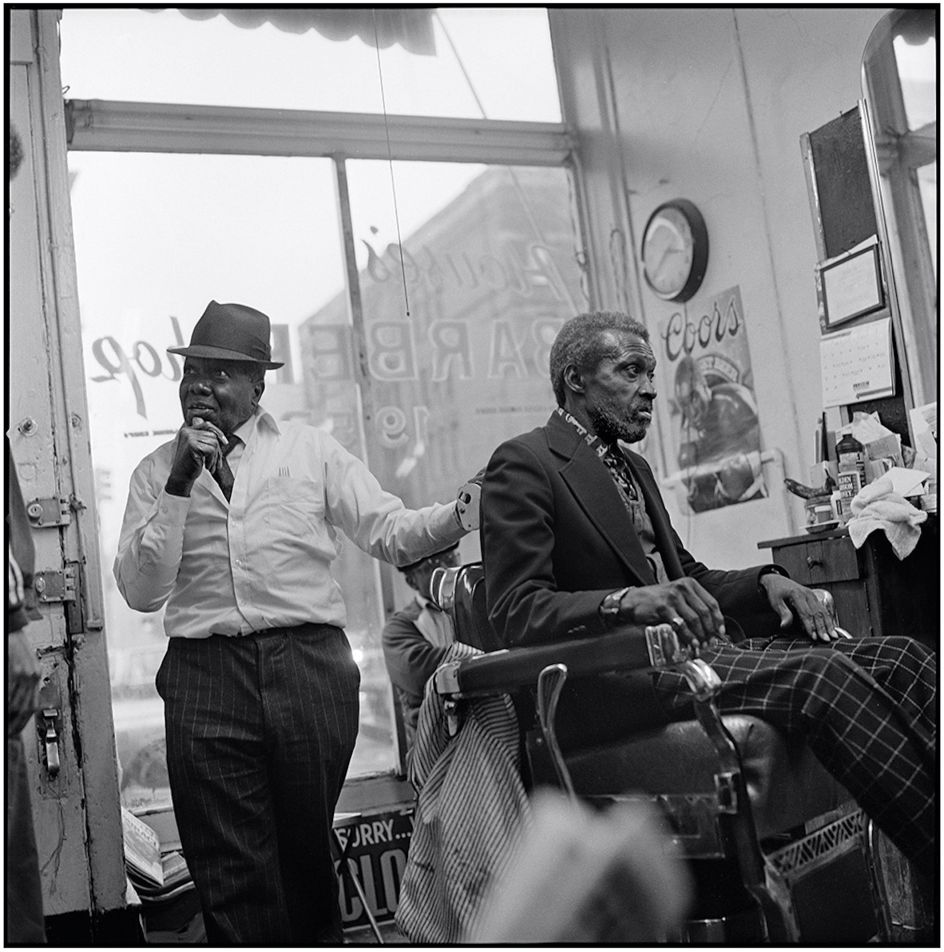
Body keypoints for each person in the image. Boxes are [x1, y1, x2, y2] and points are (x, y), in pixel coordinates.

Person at [480, 310, 936, 879]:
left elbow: (687, 575)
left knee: (904, 658)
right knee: (824, 675)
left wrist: (767, 580)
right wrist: (625, 601)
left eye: (650, 372)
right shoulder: (526, 463)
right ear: (576, 379)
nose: (650, 388)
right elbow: (514, 611)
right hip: (616, 679)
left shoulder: (634, 469)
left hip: (694, 655)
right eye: (630, 371)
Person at [114, 300, 476, 944]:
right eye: (192, 369)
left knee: (303, 855)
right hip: (205, 675)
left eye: (220, 372)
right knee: (230, 871)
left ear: (257, 385)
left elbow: (389, 530)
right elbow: (142, 592)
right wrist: (178, 482)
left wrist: (463, 512)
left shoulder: (310, 451)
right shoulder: (154, 473)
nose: (200, 383)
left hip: (309, 668)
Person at [382, 542, 460, 754]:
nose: (447, 568)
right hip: (435, 747)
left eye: (452, 558)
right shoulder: (399, 629)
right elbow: (425, 674)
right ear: (411, 580)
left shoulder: (475, 605)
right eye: (434, 564)